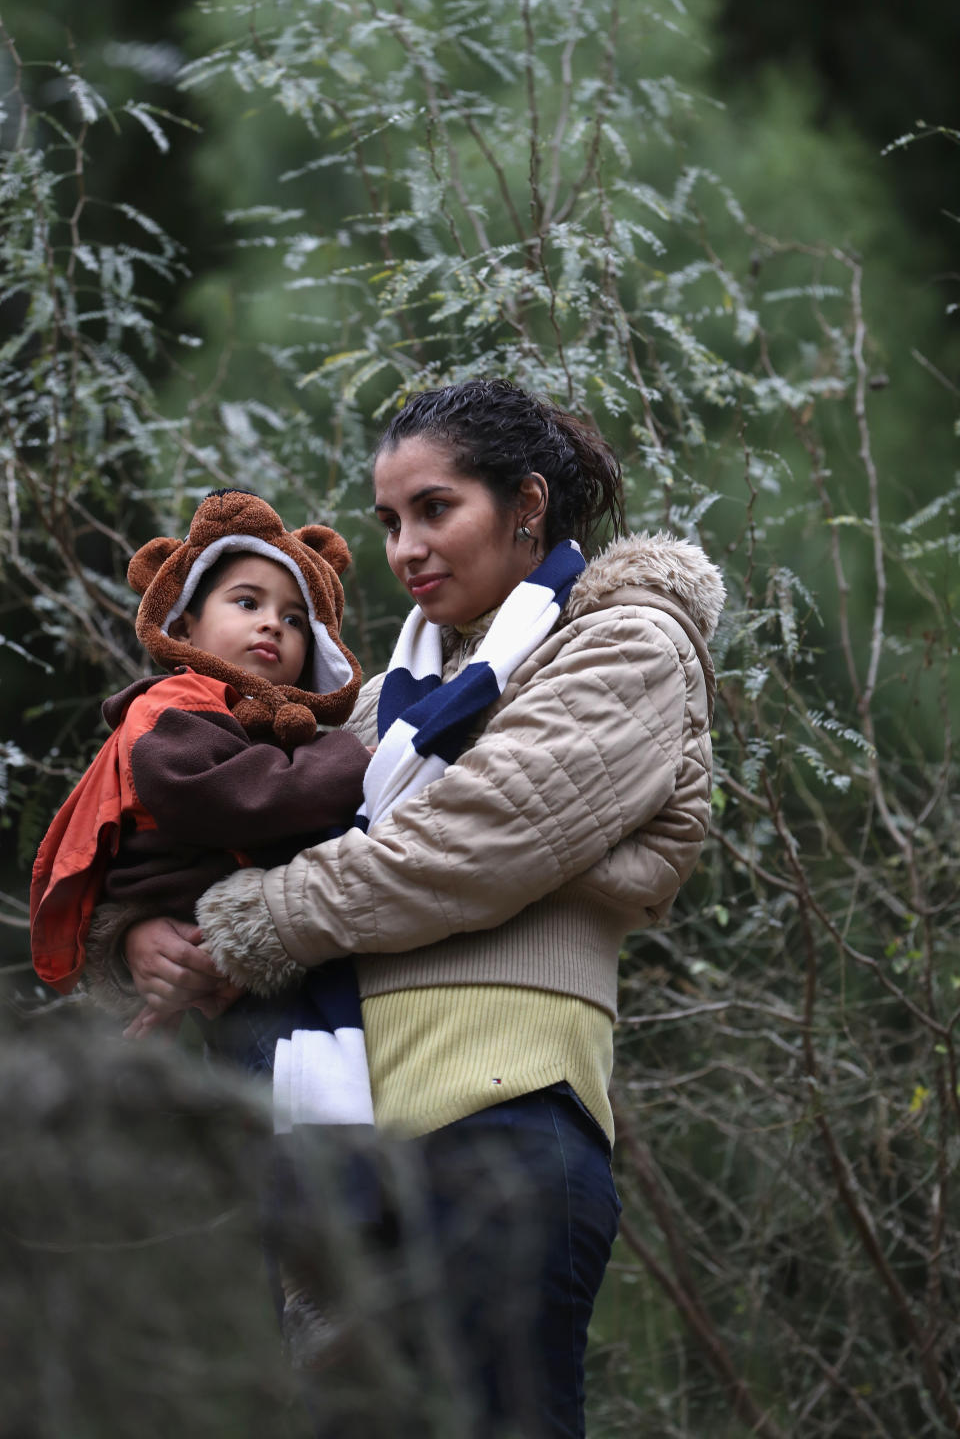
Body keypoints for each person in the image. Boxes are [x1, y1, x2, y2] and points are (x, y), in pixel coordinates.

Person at [104, 379, 725, 1438]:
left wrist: (247, 923)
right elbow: (266, 827)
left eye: (435, 509)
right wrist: (146, 933)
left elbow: (465, 848)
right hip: (347, 1158)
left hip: (503, 1124)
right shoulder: (413, 693)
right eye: (389, 520)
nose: (403, 547)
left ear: (526, 503)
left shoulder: (624, 645)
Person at [30, 487, 371, 1043]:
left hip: (254, 948)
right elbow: (221, 797)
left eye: (294, 619)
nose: (272, 625)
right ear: (185, 626)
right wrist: (355, 762)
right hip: (182, 926)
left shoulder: (270, 730)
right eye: (247, 602)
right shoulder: (172, 705)